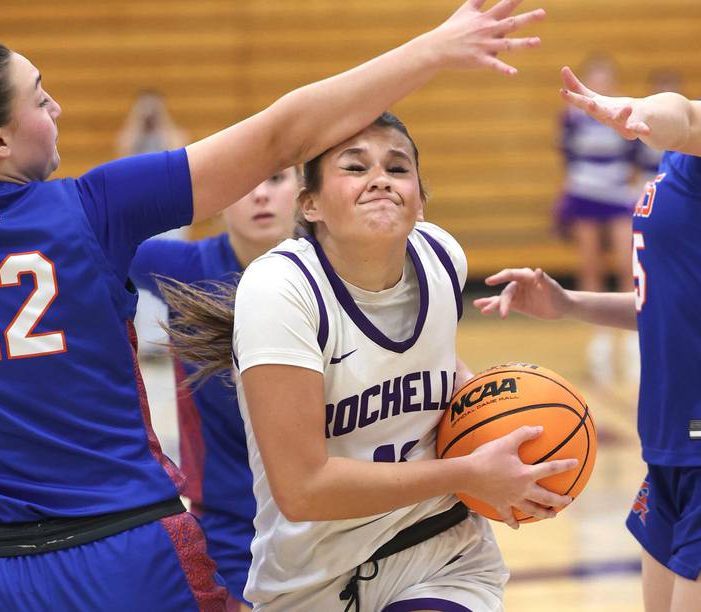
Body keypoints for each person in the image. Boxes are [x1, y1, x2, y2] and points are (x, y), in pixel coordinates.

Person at [0, 0, 549, 609]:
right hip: (127, 553)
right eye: (40, 99)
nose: (58, 107)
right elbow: (282, 134)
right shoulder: (90, 209)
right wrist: (433, 49)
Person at [162, 111, 578, 611]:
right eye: (355, 168)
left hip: (441, 554)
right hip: (313, 577)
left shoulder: (443, 258)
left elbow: (435, 367)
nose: (380, 178)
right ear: (309, 203)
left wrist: (504, 438)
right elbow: (302, 490)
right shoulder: (280, 290)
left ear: (420, 200)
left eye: (398, 168)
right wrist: (468, 472)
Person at [474, 65, 701, 612]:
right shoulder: (676, 166)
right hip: (671, 442)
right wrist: (571, 304)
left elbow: (685, 113)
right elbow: (663, 305)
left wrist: (643, 110)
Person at [130, 166, 300, 610]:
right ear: (221, 198)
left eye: (277, 179)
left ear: (304, 192)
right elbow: (90, 237)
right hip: (230, 528)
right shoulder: (183, 268)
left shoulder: (334, 268)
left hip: (329, 514)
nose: (261, 195)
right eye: (245, 183)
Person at [553, 55, 640, 382]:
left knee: (625, 264)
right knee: (590, 265)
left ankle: (632, 340)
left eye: (606, 78)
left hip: (618, 195)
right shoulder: (571, 116)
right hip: (584, 194)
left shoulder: (623, 110)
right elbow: (567, 154)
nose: (601, 84)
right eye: (595, 78)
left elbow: (635, 150)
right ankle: (599, 341)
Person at [117, 91, 191, 360]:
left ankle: (168, 337)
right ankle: (148, 342)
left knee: (169, 276)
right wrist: (138, 118)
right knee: (142, 276)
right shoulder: (135, 140)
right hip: (142, 214)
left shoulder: (170, 134)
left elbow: (179, 147)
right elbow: (123, 149)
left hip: (170, 216)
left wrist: (162, 119)